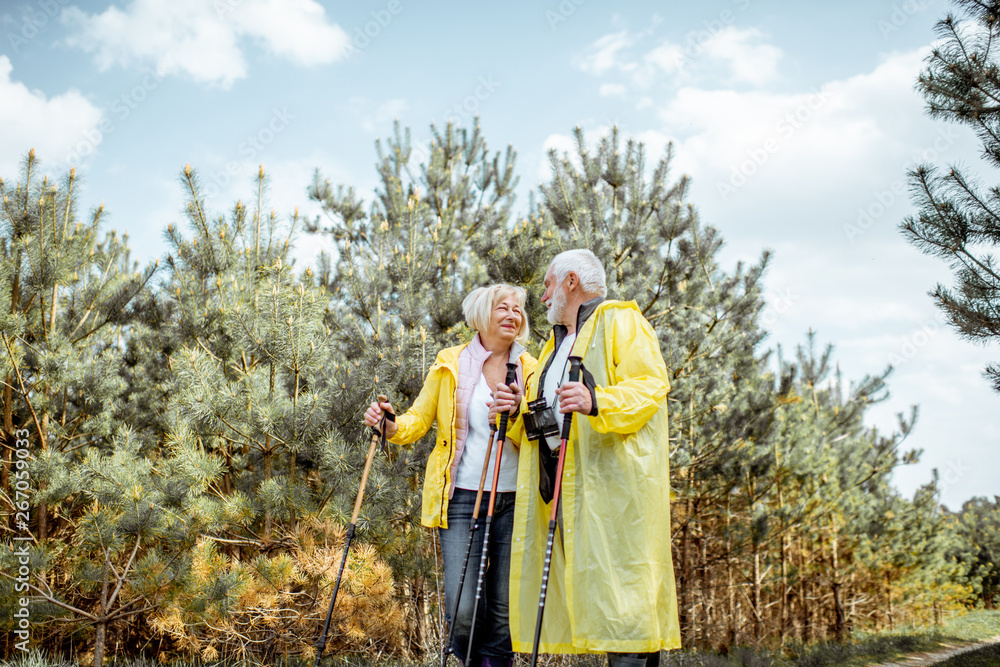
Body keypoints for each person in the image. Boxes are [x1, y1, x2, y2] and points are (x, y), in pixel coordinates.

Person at [502, 249, 680, 667]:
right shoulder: (555, 348)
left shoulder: (620, 320)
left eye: (547, 285)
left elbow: (651, 386)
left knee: (625, 599)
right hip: (566, 491)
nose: (543, 298)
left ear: (570, 282)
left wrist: (597, 400)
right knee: (599, 599)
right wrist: (515, 411)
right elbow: (543, 423)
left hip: (615, 491)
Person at [364, 284, 536, 667]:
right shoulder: (450, 363)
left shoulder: (531, 369)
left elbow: (540, 437)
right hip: (461, 498)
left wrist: (514, 417)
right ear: (481, 315)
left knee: (504, 609)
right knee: (463, 608)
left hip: (514, 499)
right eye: (502, 308)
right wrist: (390, 425)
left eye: (518, 309)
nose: (512, 315)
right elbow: (417, 421)